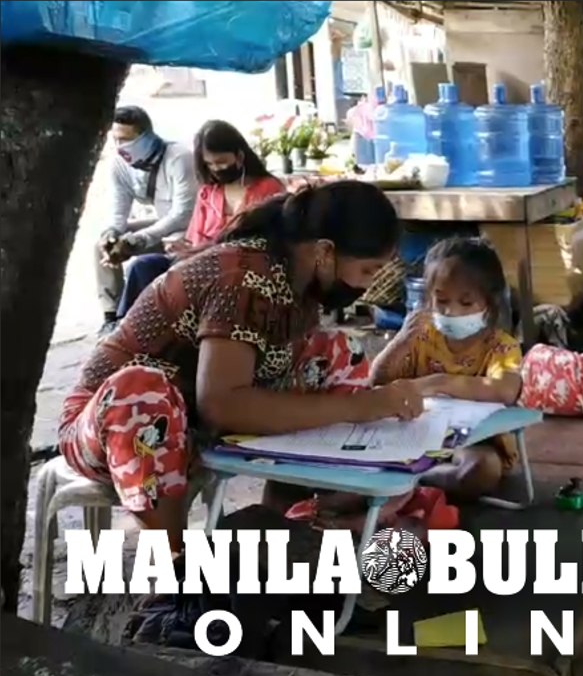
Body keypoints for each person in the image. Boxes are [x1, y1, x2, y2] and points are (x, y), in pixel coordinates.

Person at [59, 181, 427, 552]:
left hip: (189, 422)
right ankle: (175, 565)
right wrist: (361, 407)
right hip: (112, 428)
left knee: (338, 352)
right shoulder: (243, 276)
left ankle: (290, 523)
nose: (366, 286)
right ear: (325, 252)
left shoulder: (296, 277)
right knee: (143, 393)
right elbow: (221, 405)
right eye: (366, 271)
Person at [370, 236, 523, 500]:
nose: (451, 312)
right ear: (428, 298)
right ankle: (403, 488)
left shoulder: (502, 346)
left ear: (489, 303)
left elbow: (505, 390)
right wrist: (400, 341)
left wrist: (438, 382)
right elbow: (378, 380)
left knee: (482, 470)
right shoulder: (421, 337)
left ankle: (411, 483)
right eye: (441, 301)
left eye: (466, 303)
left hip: (472, 443)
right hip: (418, 436)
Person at [114, 120, 285, 319]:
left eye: (221, 162)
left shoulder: (268, 189)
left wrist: (202, 250)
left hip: (240, 266)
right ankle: (124, 330)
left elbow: (263, 242)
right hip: (199, 262)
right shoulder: (208, 192)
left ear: (239, 156)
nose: (216, 169)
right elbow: (194, 239)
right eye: (209, 164)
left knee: (179, 280)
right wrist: (183, 248)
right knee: (142, 267)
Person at [97, 106, 197, 334]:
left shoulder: (179, 158)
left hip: (186, 231)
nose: (120, 147)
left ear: (146, 136)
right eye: (115, 139)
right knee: (102, 244)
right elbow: (118, 210)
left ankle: (134, 319)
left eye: (125, 139)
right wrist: (112, 233)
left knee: (140, 261)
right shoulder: (120, 165)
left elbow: (182, 214)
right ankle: (111, 316)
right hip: (159, 227)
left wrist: (138, 239)